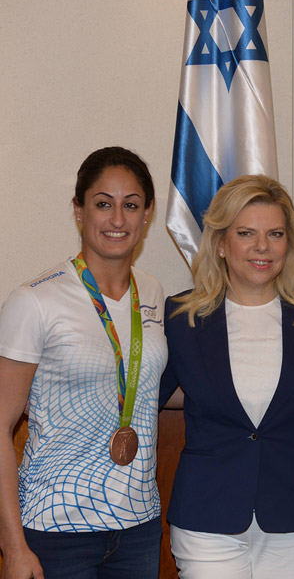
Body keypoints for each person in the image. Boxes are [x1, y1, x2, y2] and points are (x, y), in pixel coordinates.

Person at [0, 147, 167, 579]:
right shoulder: (34, 301)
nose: (117, 219)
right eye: (102, 204)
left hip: (138, 527)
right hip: (56, 530)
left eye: (130, 205)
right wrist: (13, 546)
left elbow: (150, 385)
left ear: (146, 214)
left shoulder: (152, 292)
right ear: (79, 210)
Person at [159, 175, 294, 579]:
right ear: (221, 243)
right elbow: (150, 392)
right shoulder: (180, 317)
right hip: (207, 514)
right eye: (246, 233)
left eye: (275, 233)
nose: (262, 247)